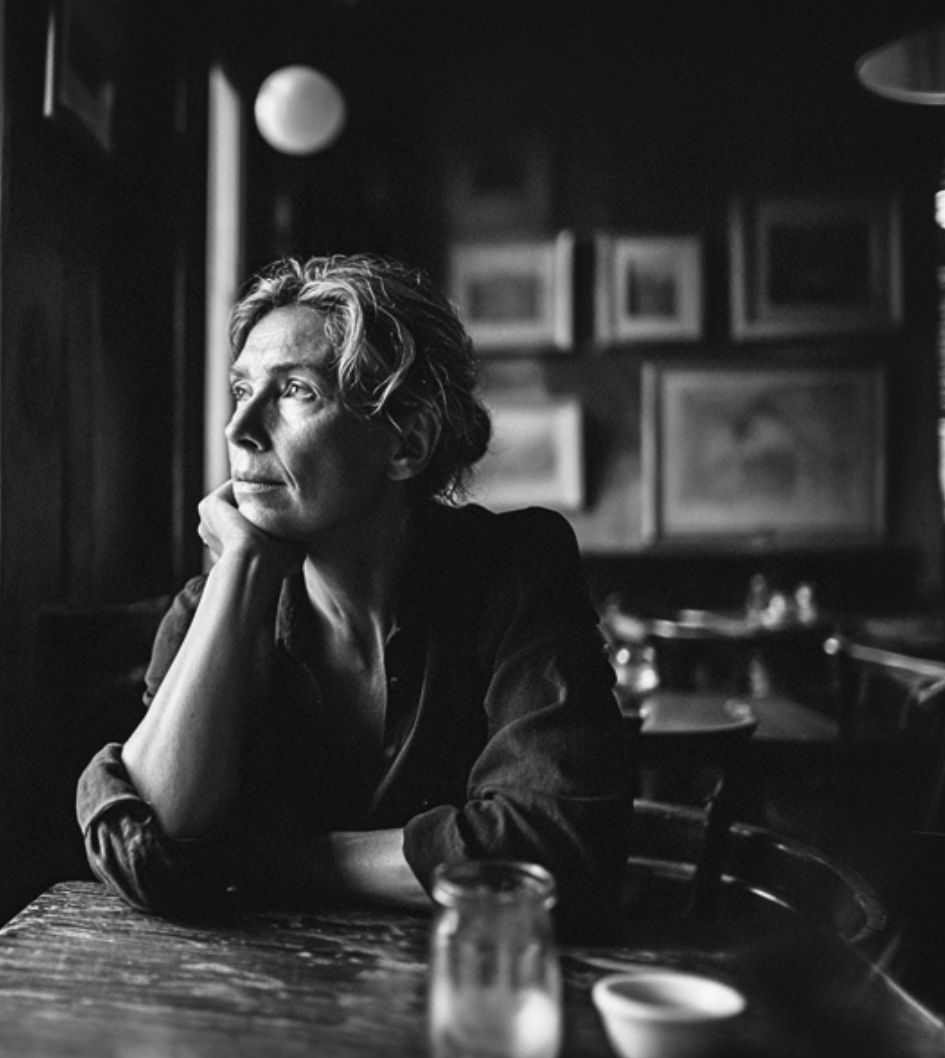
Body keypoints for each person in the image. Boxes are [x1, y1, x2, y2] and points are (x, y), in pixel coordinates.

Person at [75, 254, 629, 942]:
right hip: (253, 992)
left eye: (295, 391)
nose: (240, 427)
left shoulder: (514, 571)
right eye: (241, 388)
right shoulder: (211, 608)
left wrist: (270, 860)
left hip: (474, 980)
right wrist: (241, 564)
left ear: (407, 443)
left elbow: (556, 847)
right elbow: (149, 847)